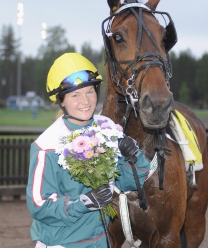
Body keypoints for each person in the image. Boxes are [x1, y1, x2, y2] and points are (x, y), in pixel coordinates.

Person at [26, 52, 150, 248]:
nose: (85, 101)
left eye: (90, 91)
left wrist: (132, 157)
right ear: (61, 101)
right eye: (75, 94)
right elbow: (39, 206)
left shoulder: (106, 129)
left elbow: (130, 183)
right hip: (61, 243)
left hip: (101, 241)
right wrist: (83, 203)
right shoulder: (46, 146)